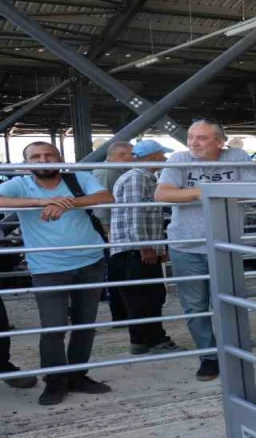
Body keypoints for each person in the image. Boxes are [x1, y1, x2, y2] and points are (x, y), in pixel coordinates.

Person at [0, 142, 115, 405]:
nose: (43, 160)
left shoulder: (78, 178)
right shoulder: (21, 185)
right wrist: (41, 201)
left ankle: (77, 376)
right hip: (47, 268)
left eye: (49, 155)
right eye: (36, 157)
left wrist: (65, 203)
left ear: (59, 158)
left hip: (90, 262)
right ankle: (55, 381)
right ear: (27, 163)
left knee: (85, 325)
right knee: (53, 328)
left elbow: (105, 197)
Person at [156, 119, 256, 381]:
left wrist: (196, 192)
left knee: (230, 301)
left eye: (201, 138)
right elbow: (163, 194)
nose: (193, 142)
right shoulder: (179, 159)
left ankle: (234, 352)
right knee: (195, 306)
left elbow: (252, 188)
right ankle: (209, 356)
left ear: (219, 141)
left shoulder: (236, 155)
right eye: (191, 137)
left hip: (226, 243)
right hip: (186, 246)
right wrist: (203, 192)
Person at [110, 139, 183, 356]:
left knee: (143, 295)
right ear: (152, 156)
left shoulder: (142, 177)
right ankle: (156, 339)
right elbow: (136, 214)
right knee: (147, 296)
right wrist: (146, 247)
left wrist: (157, 247)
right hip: (134, 249)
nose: (164, 158)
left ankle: (140, 340)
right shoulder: (137, 178)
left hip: (133, 248)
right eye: (161, 154)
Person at [95, 141, 132, 322]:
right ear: (123, 155)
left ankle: (122, 313)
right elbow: (102, 205)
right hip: (109, 229)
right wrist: (108, 231)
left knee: (118, 269)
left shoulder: (114, 171)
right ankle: (120, 314)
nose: (134, 158)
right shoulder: (108, 172)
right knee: (116, 270)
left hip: (111, 228)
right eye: (132, 155)